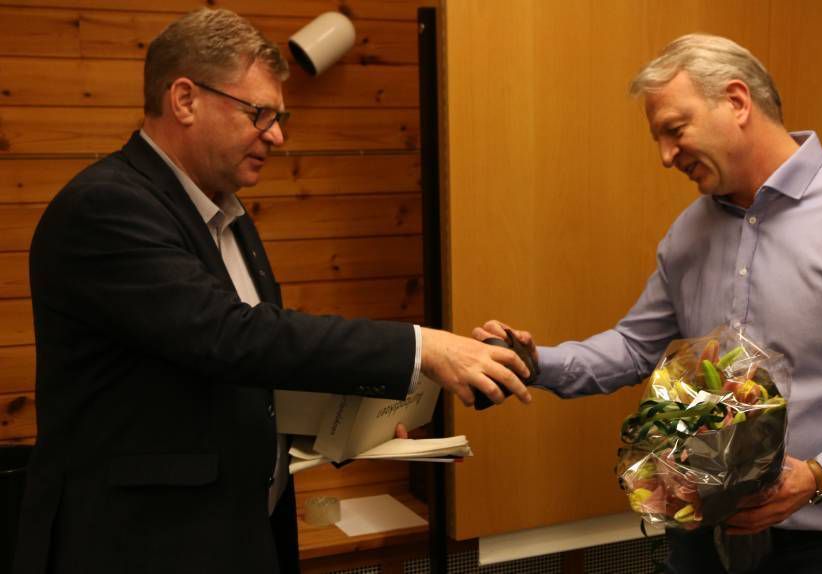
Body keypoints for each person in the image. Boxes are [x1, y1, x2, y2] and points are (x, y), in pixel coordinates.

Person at [14, 9, 531, 574]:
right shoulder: (107, 207)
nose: (277, 135)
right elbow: (228, 336)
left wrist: (347, 425)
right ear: (184, 99)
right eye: (258, 113)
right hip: (141, 547)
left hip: (242, 535)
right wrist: (422, 346)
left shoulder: (228, 214)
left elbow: (244, 371)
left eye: (279, 117)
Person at [474, 33, 822, 573]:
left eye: (674, 130)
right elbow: (635, 347)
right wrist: (534, 362)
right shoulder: (689, 231)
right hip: (697, 539)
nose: (666, 157)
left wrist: (819, 475)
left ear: (736, 102)